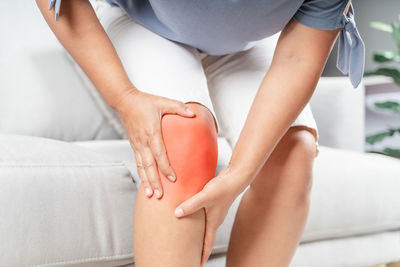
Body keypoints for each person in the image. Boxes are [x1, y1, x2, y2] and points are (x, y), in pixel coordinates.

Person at [36, 0, 365, 266]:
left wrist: (237, 175)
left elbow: (297, 57)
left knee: (292, 155)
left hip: (241, 43)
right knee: (182, 135)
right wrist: (125, 97)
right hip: (138, 20)